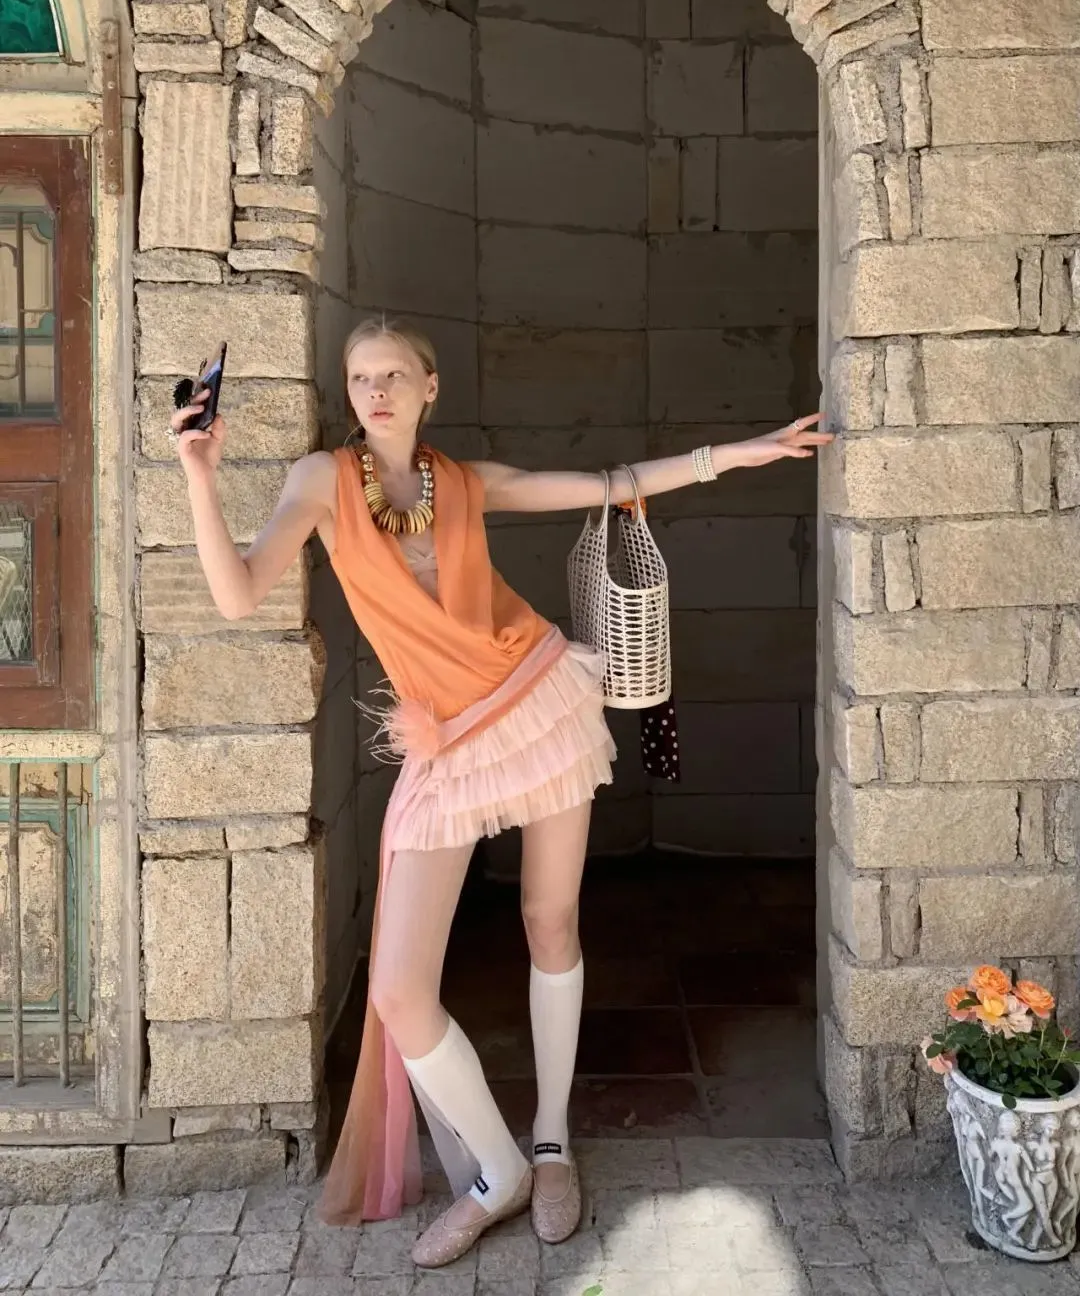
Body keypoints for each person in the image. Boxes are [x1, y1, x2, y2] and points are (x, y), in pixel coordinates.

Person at [170, 316, 832, 1268]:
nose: (377, 392)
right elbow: (237, 596)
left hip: (537, 701)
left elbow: (607, 485)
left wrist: (736, 453)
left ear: (430, 386)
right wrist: (198, 472)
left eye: (395, 375)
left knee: (549, 922)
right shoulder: (321, 481)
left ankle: (551, 1143)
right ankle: (500, 1171)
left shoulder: (464, 481)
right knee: (400, 991)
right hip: (449, 745)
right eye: (361, 378)